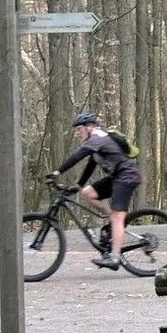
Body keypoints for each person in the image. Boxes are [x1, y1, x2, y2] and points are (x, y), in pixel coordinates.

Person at [48, 111, 143, 270]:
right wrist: (78, 185)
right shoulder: (98, 142)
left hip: (127, 176)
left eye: (79, 129)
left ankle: (114, 258)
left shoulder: (98, 138)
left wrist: (58, 171)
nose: (77, 133)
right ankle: (111, 220)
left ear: (89, 127)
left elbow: (80, 155)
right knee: (88, 193)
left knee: (118, 216)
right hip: (117, 176)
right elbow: (90, 165)